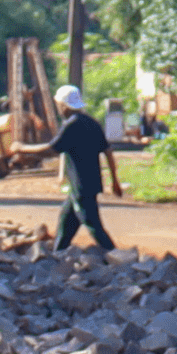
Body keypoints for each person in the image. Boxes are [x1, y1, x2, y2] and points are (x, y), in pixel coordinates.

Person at [48, 82, 119, 253]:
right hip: (88, 184)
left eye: (59, 105)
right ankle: (57, 255)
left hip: (81, 187)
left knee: (93, 226)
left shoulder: (71, 125)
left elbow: (50, 149)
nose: (58, 108)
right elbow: (108, 151)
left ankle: (117, 256)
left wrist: (22, 148)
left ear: (64, 106)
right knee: (66, 222)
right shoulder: (92, 123)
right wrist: (115, 180)